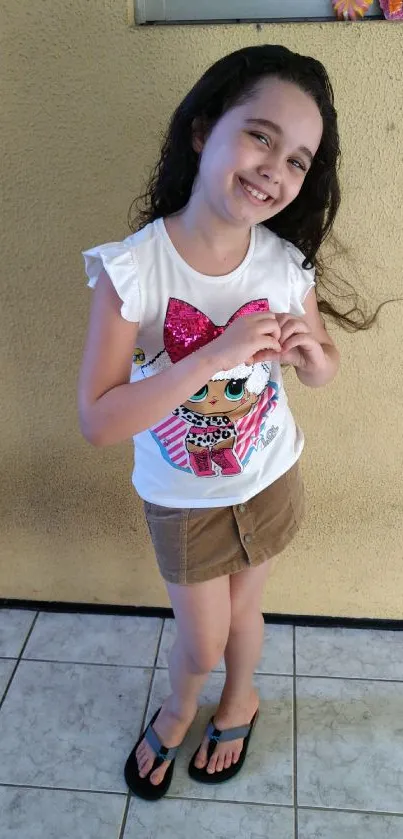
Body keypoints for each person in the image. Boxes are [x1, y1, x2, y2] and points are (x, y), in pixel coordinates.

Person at [78, 44, 362, 801]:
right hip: (185, 500)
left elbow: (323, 362)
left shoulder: (282, 263)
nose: (277, 168)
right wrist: (209, 358)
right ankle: (179, 708)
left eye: (299, 158)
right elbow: (99, 420)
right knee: (201, 636)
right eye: (261, 135)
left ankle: (241, 699)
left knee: (245, 615)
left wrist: (313, 357)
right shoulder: (132, 271)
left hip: (269, 476)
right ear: (203, 130)